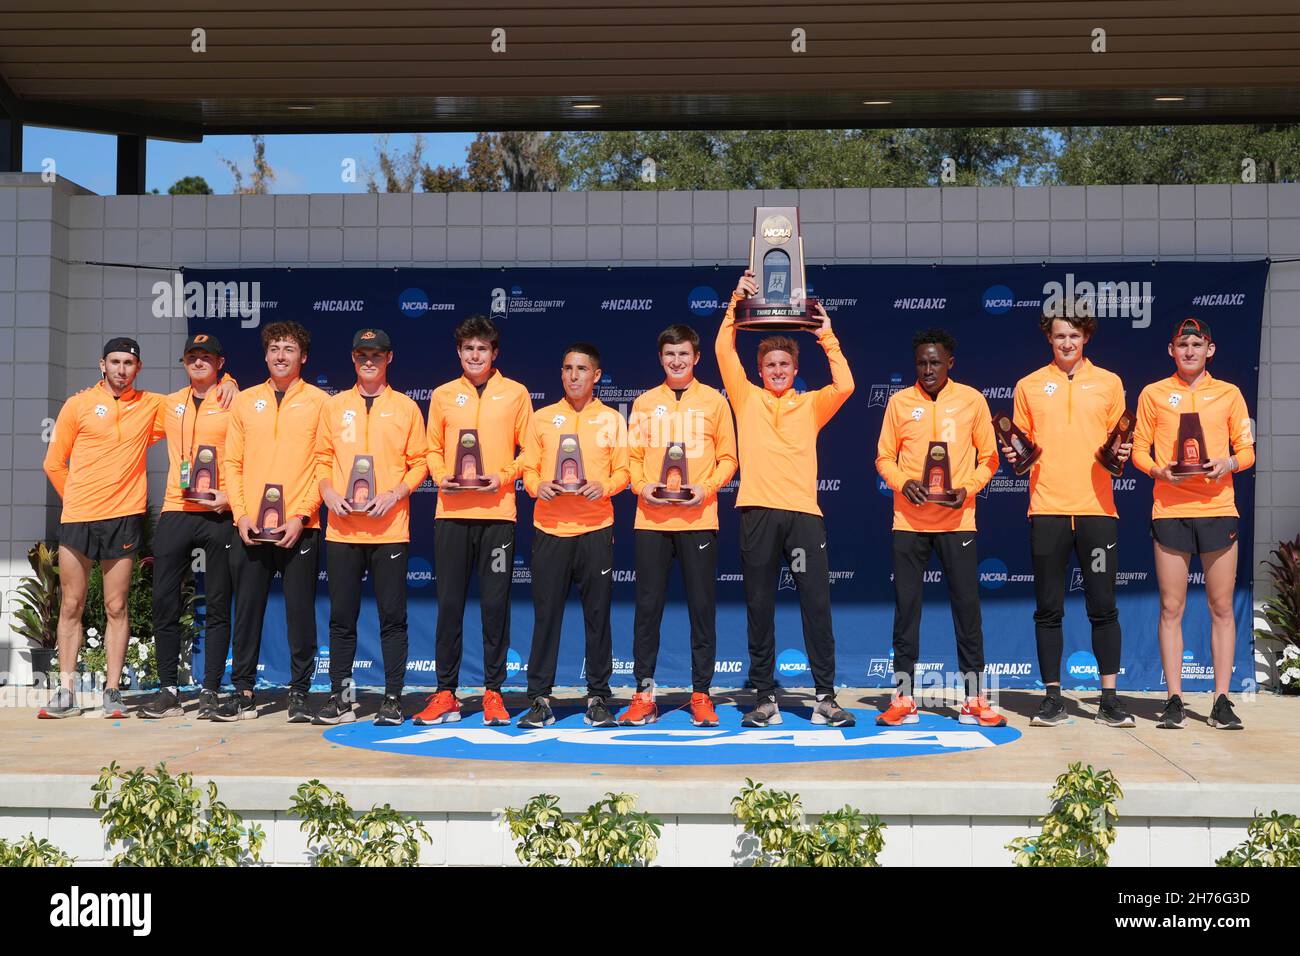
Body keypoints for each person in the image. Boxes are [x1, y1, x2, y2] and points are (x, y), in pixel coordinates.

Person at [40, 336, 234, 719]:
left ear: (138, 369)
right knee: (72, 604)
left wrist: (230, 382)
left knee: (116, 605)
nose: (121, 369)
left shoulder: (153, 405)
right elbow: (53, 463)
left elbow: (201, 394)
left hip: (124, 516)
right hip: (78, 517)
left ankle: (113, 690)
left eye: (128, 363)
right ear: (102, 364)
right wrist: (78, 499)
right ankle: (65, 690)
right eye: (114, 362)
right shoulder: (77, 404)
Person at [716, 270, 856, 728]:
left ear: (796, 370)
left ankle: (825, 697)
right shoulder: (745, 398)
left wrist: (827, 337)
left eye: (785, 365)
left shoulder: (811, 404)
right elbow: (722, 350)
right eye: (771, 365)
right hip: (756, 511)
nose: (777, 371)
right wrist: (737, 299)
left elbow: (847, 386)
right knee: (759, 606)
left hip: (802, 516)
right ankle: (764, 699)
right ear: (760, 370)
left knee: (816, 606)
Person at [1008, 303, 1135, 728]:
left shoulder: (1110, 383)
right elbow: (1020, 451)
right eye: (1060, 335)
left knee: (1104, 607)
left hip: (1098, 510)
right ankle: (1052, 698)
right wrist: (1014, 455)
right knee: (1048, 609)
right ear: (1049, 337)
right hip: (1047, 509)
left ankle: (1110, 700)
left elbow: (1121, 443)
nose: (1067, 342)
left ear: (1086, 338)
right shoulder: (1028, 385)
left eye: (1074, 336)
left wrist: (1123, 452)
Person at [875, 328, 1005, 728]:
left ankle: (974, 700)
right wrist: (903, 482)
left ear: (951, 362)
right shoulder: (899, 403)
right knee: (907, 612)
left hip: (958, 520)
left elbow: (991, 458)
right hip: (909, 522)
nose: (928, 369)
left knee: (967, 612)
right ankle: (903, 698)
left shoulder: (971, 400)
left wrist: (968, 489)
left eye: (935, 362)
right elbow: (883, 458)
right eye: (921, 362)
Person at [1132, 318, 1254, 730]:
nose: (1189, 351)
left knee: (1221, 607)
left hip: (1219, 508)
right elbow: (1138, 452)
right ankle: (1174, 699)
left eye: (1196, 344)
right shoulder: (1153, 393)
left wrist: (1229, 463)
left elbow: (1247, 451)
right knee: (1171, 608)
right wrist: (1160, 472)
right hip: (1170, 509)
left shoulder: (1229, 393)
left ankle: (1221, 699)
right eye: (1182, 345)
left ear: (1210, 349)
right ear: (1171, 350)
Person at [414, 315, 535, 727]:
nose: (475, 355)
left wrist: (500, 478)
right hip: (451, 515)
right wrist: (438, 474)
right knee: (449, 606)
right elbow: (430, 450)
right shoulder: (443, 395)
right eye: (468, 349)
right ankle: (445, 692)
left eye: (482, 348)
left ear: (494, 353)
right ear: (459, 353)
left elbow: (529, 454)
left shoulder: (516, 393)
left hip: (498, 516)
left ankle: (493, 692)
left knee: (494, 607)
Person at [619, 324, 737, 727]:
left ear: (697, 357)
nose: (677, 361)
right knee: (648, 610)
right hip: (651, 520)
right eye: (670, 354)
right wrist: (641, 486)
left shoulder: (715, 403)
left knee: (702, 610)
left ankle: (701, 694)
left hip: (699, 519)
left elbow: (729, 458)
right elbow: (632, 458)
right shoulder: (644, 402)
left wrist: (706, 489)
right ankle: (643, 694)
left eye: (683, 354)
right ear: (660, 358)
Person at [313, 329, 429, 727]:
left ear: (389, 359)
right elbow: (321, 458)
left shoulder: (406, 408)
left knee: (392, 619)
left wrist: (395, 493)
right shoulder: (334, 406)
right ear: (352, 358)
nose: (369, 361)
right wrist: (327, 491)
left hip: (389, 529)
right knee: (342, 619)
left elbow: (421, 463)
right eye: (362, 354)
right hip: (343, 529)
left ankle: (393, 699)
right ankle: (340, 698)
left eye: (376, 355)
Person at [214, 321, 327, 723]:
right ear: (265, 355)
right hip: (248, 527)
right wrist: (241, 513)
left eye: (289, 349)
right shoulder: (245, 401)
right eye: (275, 348)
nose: (281, 355)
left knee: (300, 613)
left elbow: (324, 465)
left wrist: (302, 515)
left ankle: (299, 692)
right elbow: (231, 462)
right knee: (246, 611)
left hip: (300, 527)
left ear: (303, 357)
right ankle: (243, 690)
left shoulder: (319, 403)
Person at [517, 343, 629, 729]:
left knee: (598, 618)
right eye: (567, 368)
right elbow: (527, 468)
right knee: (546, 617)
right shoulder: (542, 418)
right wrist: (537, 486)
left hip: (596, 529)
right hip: (550, 529)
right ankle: (539, 699)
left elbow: (625, 471)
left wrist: (607, 486)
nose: (574, 375)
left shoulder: (613, 419)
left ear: (596, 375)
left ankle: (598, 696)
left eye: (582, 369)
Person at [140, 334, 239, 720]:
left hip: (217, 510)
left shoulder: (235, 400)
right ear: (184, 362)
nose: (199, 362)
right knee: (165, 600)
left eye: (207, 357)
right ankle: (168, 690)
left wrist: (230, 496)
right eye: (192, 357)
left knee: (217, 602)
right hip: (176, 508)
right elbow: (125, 408)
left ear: (219, 362)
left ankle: (211, 689)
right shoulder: (169, 403)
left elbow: (249, 455)